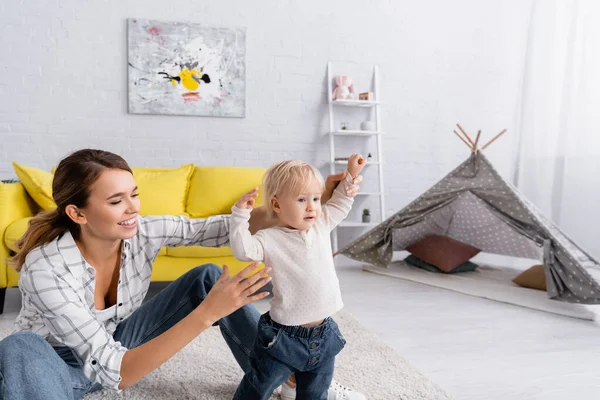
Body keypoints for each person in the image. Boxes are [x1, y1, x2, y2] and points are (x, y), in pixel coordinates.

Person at [0, 148, 366, 400]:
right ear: (77, 214)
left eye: (134, 194)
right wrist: (208, 313)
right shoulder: (46, 267)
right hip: (58, 368)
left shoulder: (142, 230)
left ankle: (290, 378)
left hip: (119, 339)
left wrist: (303, 204)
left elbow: (216, 229)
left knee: (207, 276)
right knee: (18, 347)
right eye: (116, 202)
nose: (132, 209)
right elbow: (117, 373)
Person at [229, 154, 366, 400]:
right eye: (302, 200)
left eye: (315, 197)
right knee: (258, 387)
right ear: (278, 205)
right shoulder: (269, 238)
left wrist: (351, 176)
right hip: (283, 338)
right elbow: (243, 250)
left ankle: (294, 389)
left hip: (324, 334)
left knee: (316, 392)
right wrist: (240, 216)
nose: (313, 206)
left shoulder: (321, 224)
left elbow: (340, 204)